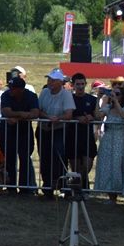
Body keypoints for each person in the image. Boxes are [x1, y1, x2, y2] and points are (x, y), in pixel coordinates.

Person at [37, 69, 75, 199]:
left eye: (53, 80)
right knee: (44, 157)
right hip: (44, 129)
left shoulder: (66, 95)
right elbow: (38, 110)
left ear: (60, 82)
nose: (50, 82)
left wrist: (57, 119)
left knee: (59, 156)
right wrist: (48, 117)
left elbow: (69, 114)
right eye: (49, 80)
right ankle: (47, 186)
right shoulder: (44, 92)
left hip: (59, 129)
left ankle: (63, 185)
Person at [94, 85, 124, 203]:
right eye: (113, 94)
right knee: (106, 165)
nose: (114, 96)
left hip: (119, 140)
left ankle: (118, 192)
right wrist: (98, 99)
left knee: (117, 166)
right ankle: (110, 195)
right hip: (107, 139)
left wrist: (115, 102)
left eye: (117, 94)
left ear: (123, 96)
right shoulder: (108, 107)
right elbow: (98, 116)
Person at [0, 77, 39, 194]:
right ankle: (10, 187)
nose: (10, 90)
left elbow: (35, 113)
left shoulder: (31, 96)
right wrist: (22, 114)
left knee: (25, 157)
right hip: (8, 130)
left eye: (13, 88)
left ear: (21, 89)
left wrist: (16, 116)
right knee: (9, 158)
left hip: (24, 131)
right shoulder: (6, 95)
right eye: (10, 87)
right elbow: (6, 111)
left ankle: (25, 187)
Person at [67, 73, 98, 190]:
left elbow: (98, 116)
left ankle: (83, 187)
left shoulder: (92, 99)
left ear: (85, 84)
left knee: (86, 166)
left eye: (82, 84)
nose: (80, 86)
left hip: (88, 137)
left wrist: (92, 117)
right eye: (77, 84)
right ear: (73, 85)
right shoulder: (69, 99)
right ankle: (77, 190)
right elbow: (66, 115)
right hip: (73, 137)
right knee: (75, 168)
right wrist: (76, 119)